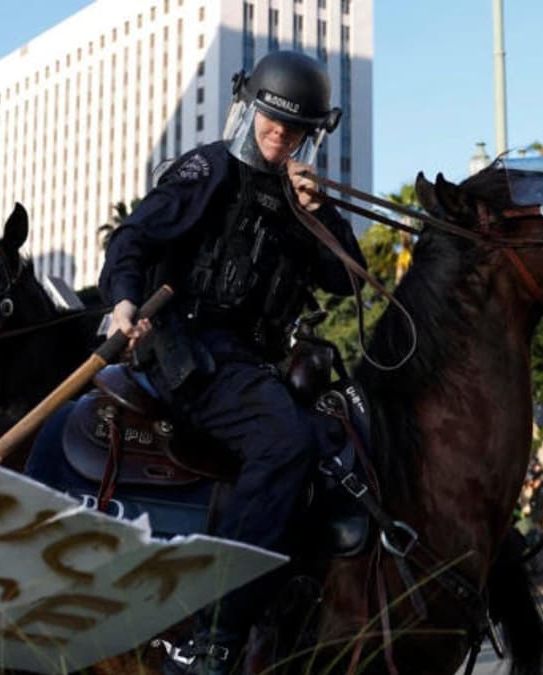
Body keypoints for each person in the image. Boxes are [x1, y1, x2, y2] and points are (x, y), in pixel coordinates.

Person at [100, 50, 363, 673]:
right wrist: (121, 304)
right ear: (248, 111)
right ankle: (215, 629)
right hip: (191, 348)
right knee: (284, 441)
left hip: (257, 360)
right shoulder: (208, 169)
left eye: (294, 129)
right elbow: (133, 238)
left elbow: (349, 278)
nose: (281, 137)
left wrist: (321, 211)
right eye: (272, 122)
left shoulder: (303, 199)